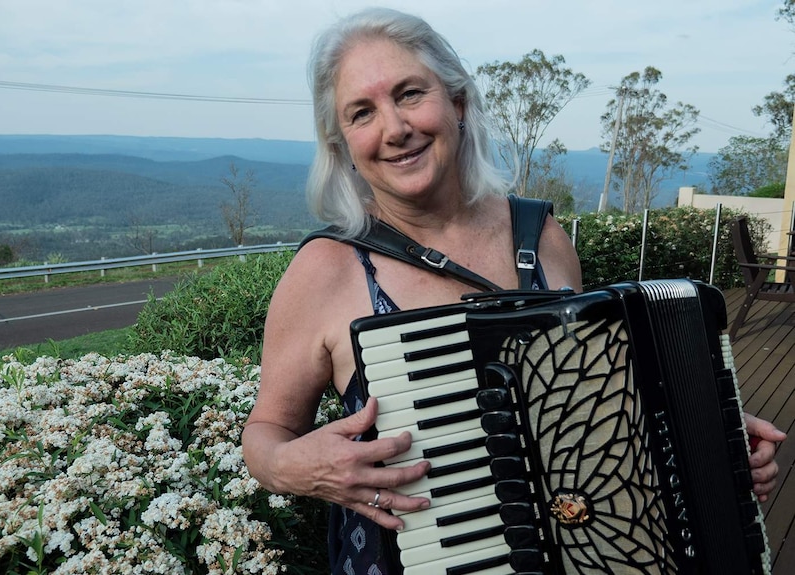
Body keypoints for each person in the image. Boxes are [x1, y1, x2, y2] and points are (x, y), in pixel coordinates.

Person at [242, 7, 786, 574]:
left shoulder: (540, 234)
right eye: (362, 113)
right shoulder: (326, 270)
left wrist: (702, 433)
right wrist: (294, 468)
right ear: (345, 144)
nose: (394, 128)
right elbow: (267, 434)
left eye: (409, 94)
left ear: (457, 103)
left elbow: (588, 401)